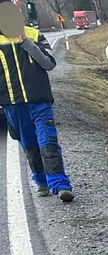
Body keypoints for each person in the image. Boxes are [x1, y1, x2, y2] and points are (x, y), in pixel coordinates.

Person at [0, 10, 72, 202]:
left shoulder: (33, 34)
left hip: (39, 101)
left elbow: (49, 63)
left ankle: (60, 185)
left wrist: (26, 43)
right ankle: (41, 181)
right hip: (12, 105)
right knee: (31, 147)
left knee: (47, 142)